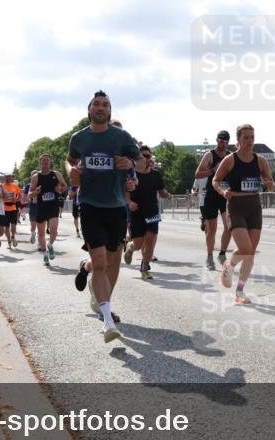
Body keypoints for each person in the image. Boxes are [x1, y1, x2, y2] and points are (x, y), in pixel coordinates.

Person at [68, 90, 140, 343]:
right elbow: (69, 160)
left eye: (105, 104)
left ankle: (99, 299)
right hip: (89, 205)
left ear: (110, 111)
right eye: (96, 104)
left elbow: (142, 163)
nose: (100, 107)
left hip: (116, 206)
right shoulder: (79, 138)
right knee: (99, 263)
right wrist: (72, 171)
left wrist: (131, 165)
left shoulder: (121, 137)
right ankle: (107, 320)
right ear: (89, 110)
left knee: (113, 261)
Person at [212, 124, 275, 305]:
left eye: (252, 137)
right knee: (245, 248)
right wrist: (223, 192)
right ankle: (229, 266)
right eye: (245, 137)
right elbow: (216, 180)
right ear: (238, 139)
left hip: (254, 206)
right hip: (236, 205)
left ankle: (239, 290)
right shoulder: (230, 160)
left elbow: (270, 181)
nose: (249, 141)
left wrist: (271, 185)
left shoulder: (260, 160)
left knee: (250, 253)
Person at [125, 147, 173, 279]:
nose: (147, 158)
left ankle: (144, 267)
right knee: (139, 244)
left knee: (151, 241)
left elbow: (161, 191)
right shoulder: (131, 175)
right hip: (136, 213)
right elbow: (126, 194)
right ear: (137, 159)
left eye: (148, 156)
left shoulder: (155, 174)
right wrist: (130, 203)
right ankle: (130, 247)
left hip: (152, 212)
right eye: (144, 156)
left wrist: (167, 195)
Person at [195, 131, 234, 270]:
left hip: (225, 195)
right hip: (211, 195)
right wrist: (213, 170)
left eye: (225, 140)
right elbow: (197, 174)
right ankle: (209, 257)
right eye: (220, 140)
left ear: (228, 142)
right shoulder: (209, 155)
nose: (222, 143)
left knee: (229, 226)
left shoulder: (230, 156)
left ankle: (222, 253)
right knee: (212, 229)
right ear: (216, 140)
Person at [31, 154, 66, 266]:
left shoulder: (56, 174)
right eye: (44, 160)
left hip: (53, 207)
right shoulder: (36, 177)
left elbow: (65, 187)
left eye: (47, 160)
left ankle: (50, 244)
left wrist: (60, 189)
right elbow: (29, 195)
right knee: (41, 234)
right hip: (41, 208)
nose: (46, 162)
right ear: (40, 162)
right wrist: (35, 192)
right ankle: (45, 254)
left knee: (54, 230)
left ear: (50, 162)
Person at [2, 173, 21, 248]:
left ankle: (13, 236)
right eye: (7, 177)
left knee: (13, 225)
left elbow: (20, 195)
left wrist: (16, 199)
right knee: (6, 227)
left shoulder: (15, 186)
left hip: (13, 208)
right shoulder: (2, 186)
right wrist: (4, 198)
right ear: (5, 178)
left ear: (11, 179)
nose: (8, 179)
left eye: (9, 177)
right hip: (4, 208)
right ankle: (9, 241)